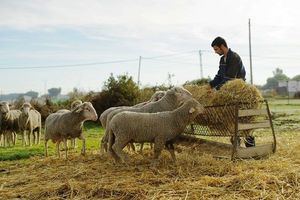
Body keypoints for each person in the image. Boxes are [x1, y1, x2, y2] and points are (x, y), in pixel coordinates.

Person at [209, 36, 255, 147]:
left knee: (244, 121)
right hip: (228, 93)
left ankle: (251, 150)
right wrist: (209, 86)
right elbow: (219, 76)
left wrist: (216, 90)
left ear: (222, 46)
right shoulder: (222, 59)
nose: (215, 52)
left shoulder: (234, 57)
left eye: (216, 49)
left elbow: (229, 79)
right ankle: (237, 149)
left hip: (239, 93)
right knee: (232, 121)